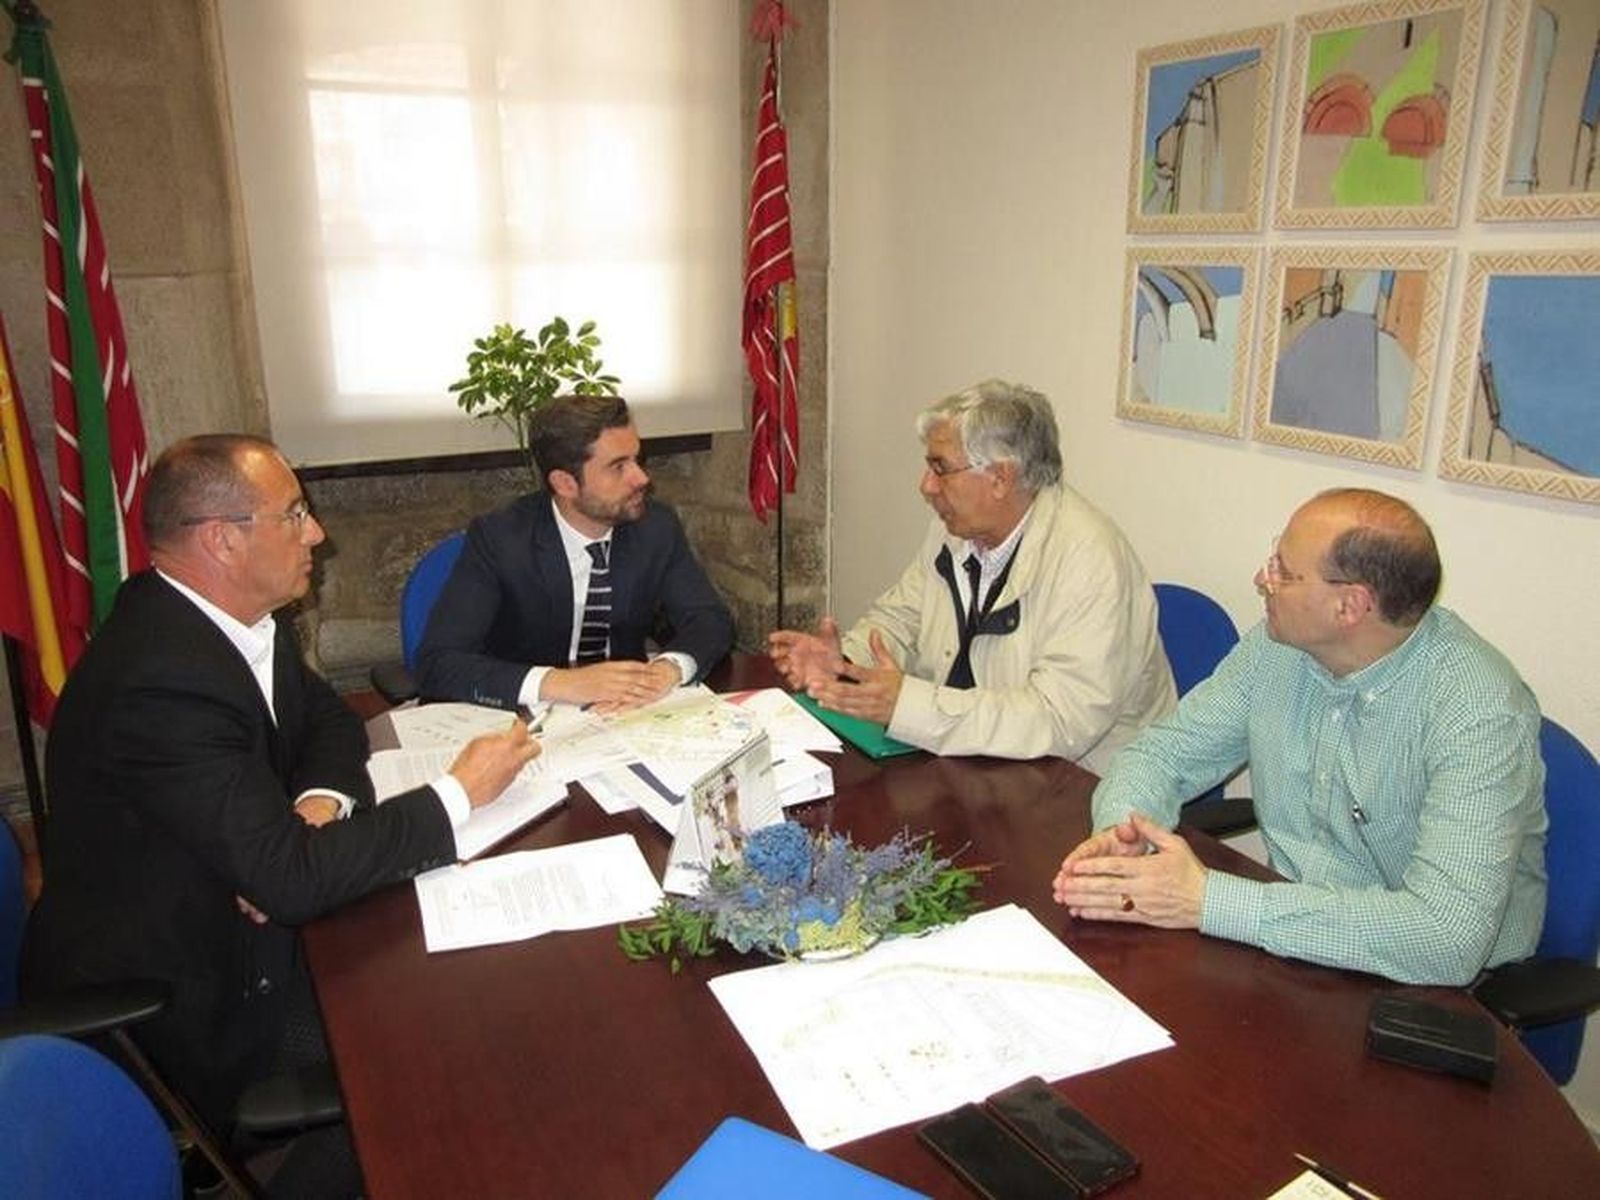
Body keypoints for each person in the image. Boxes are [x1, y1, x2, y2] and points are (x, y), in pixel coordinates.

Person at [22, 434, 536, 1194]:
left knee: (465, 989)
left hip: (247, 924)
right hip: (182, 1007)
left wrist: (315, 802)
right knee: (446, 1066)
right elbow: (290, 883)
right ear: (222, 540)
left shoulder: (236, 620)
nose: (317, 533)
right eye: (293, 513)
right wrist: (458, 792)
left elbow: (327, 723)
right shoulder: (159, 680)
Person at [1052, 488, 1547, 987]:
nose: (1262, 580)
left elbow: (1446, 938)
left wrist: (1207, 901)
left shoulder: (1478, 710)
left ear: (1350, 606)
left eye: (1284, 573)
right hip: (1293, 944)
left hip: (1432, 988)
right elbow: (1163, 755)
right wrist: (1122, 836)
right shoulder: (1276, 649)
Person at [769, 379, 1175, 770]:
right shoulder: (956, 532)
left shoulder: (1091, 561)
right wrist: (843, 662)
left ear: (1000, 478)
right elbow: (901, 620)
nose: (926, 486)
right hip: (978, 763)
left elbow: (1059, 721)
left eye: (940, 468)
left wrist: (910, 706)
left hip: (1088, 794)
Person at [415, 394, 733, 713]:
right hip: (525, 721)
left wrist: (668, 669)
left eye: (636, 459)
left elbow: (710, 620)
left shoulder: (655, 527)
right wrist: (563, 683)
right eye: (618, 467)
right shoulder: (501, 539)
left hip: (624, 715)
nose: (641, 478)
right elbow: (438, 663)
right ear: (565, 483)